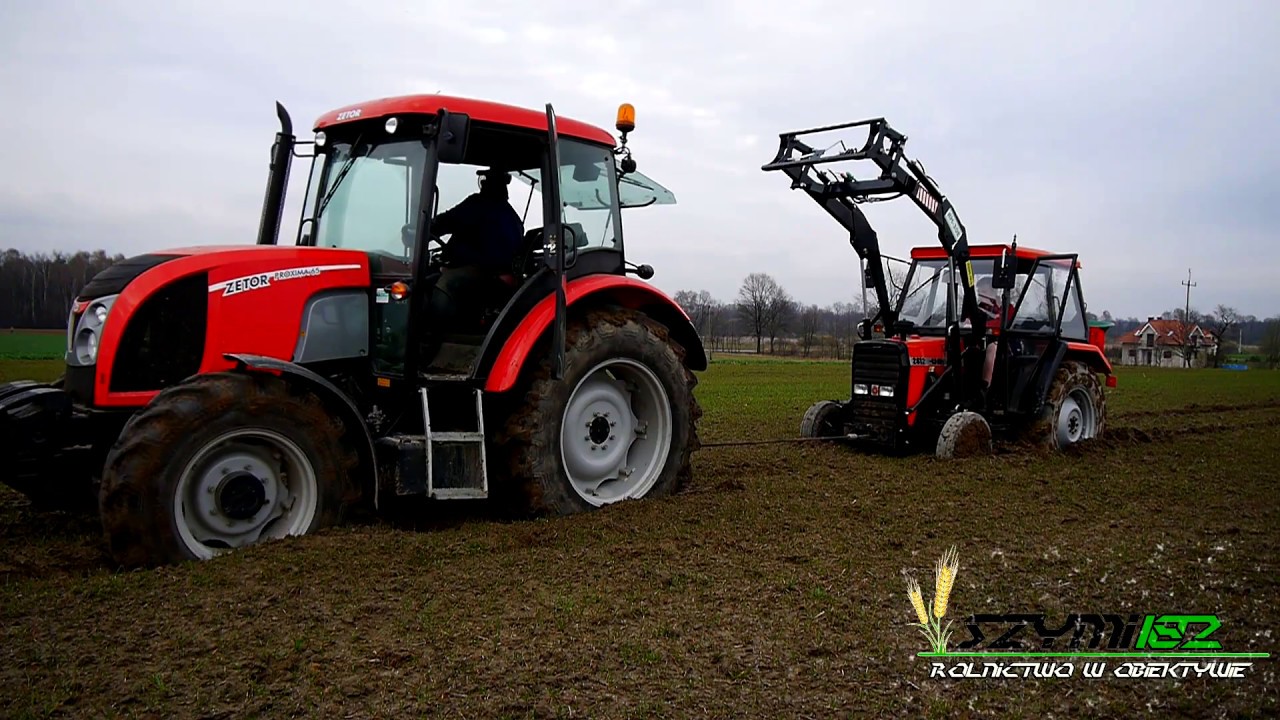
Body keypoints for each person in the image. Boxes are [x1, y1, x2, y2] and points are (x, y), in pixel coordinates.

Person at [427, 168, 525, 333]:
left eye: (487, 180)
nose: (484, 184)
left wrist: (425, 228)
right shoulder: (511, 215)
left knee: (444, 283)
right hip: (494, 271)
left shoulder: (479, 205)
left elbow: (448, 221)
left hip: (487, 271)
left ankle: (432, 336)